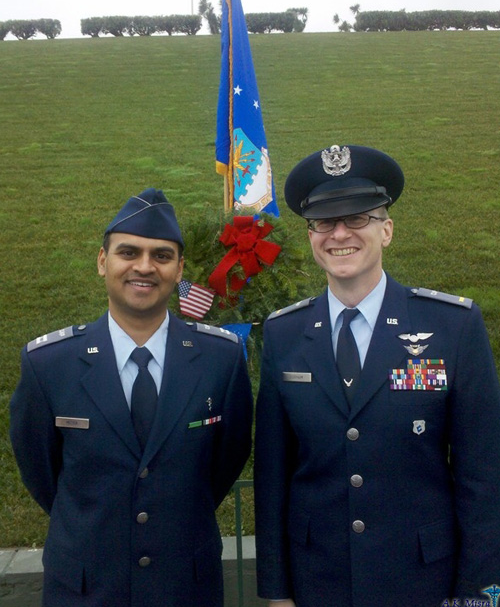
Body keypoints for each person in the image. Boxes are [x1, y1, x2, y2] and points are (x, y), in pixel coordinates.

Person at [254, 145, 500, 607]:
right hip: (317, 583)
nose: (339, 233)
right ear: (310, 236)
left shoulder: (452, 327)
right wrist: (276, 591)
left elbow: (484, 477)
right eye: (324, 222)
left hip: (423, 581)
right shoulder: (284, 334)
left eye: (358, 218)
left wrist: (479, 595)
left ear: (386, 230)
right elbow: (272, 475)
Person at [10, 188, 253, 607]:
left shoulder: (222, 358)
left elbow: (226, 462)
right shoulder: (49, 364)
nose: (144, 267)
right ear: (103, 262)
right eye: (128, 252)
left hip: (186, 586)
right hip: (86, 588)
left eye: (161, 255)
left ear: (180, 270)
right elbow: (42, 471)